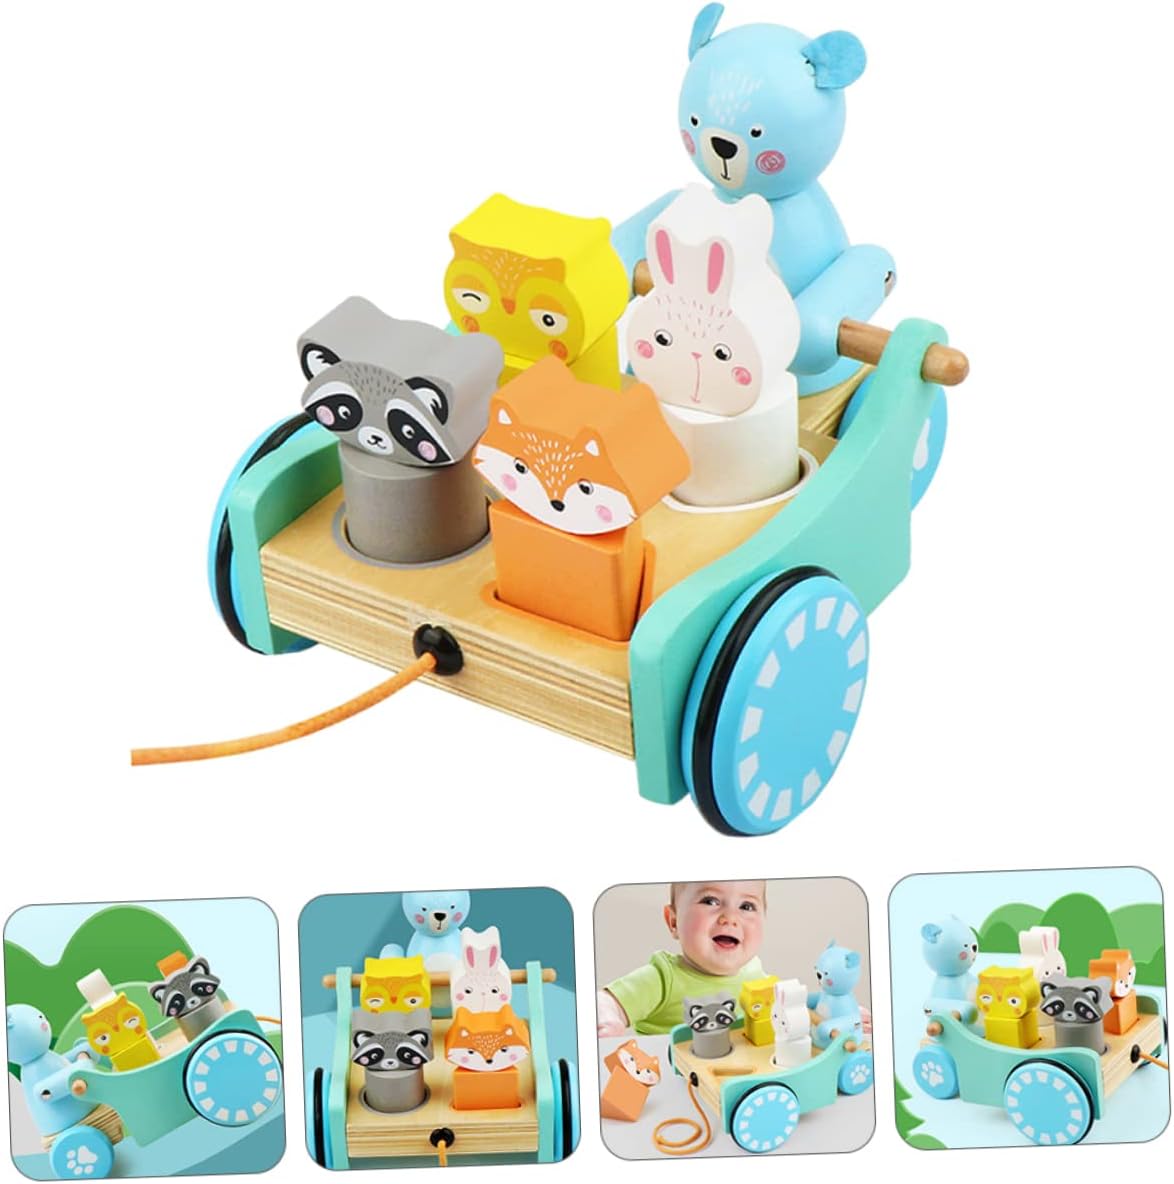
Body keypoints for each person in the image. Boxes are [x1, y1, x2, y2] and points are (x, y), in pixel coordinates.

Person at [597, 881, 767, 1036]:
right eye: (710, 901)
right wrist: (607, 1019)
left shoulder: (757, 976)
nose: (730, 918)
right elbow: (605, 1001)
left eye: (747, 906)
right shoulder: (663, 979)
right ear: (673, 921)